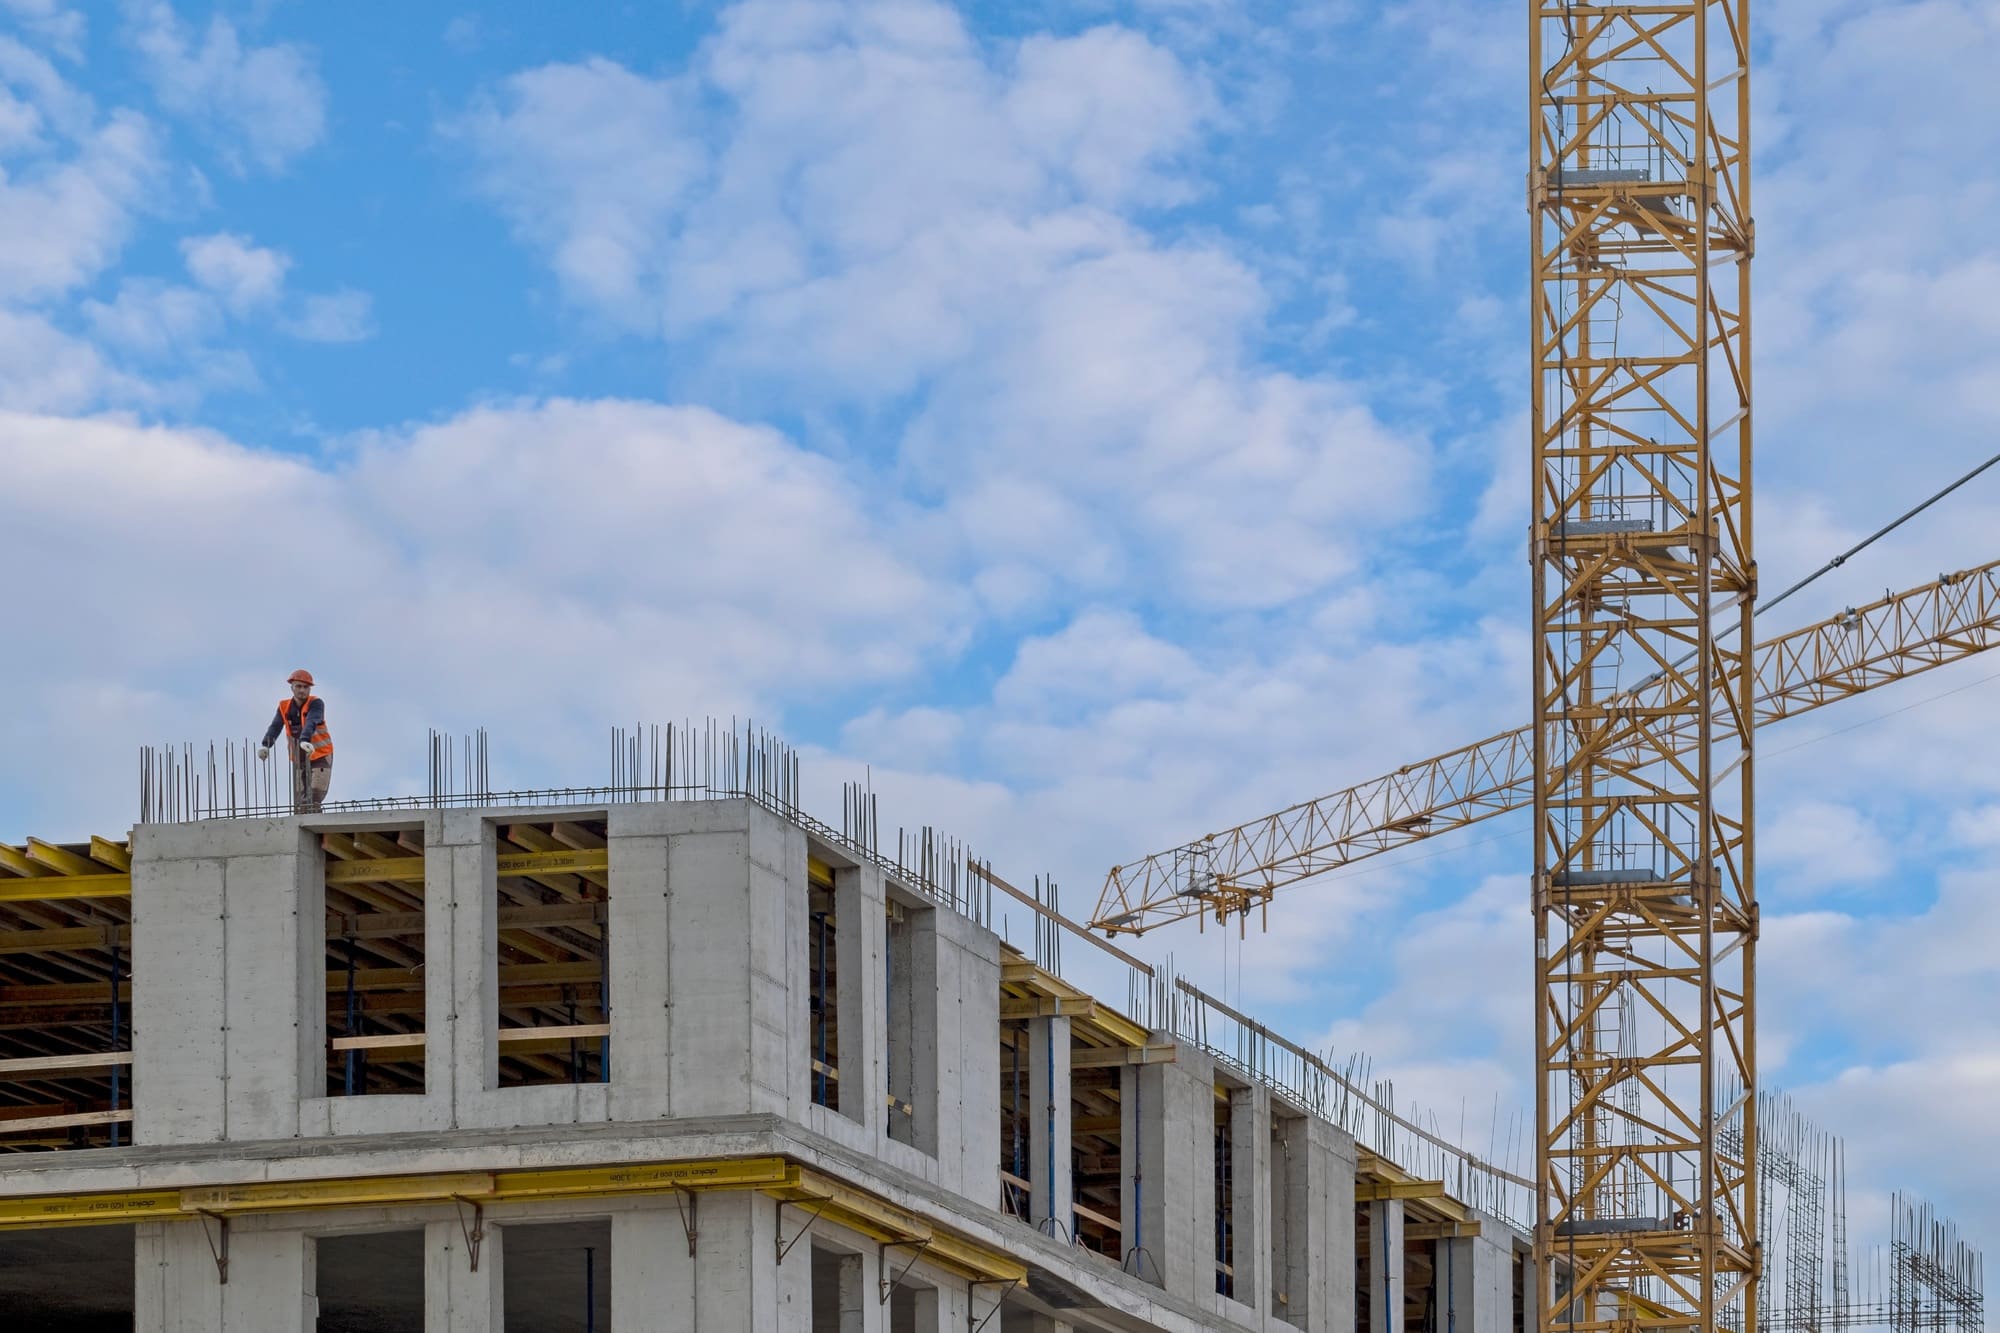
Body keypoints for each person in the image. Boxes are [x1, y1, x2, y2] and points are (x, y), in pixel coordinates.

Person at [260, 669, 334, 813]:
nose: (302, 690)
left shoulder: (316, 703)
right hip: (299, 758)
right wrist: (266, 745)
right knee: (300, 801)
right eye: (298, 686)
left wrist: (305, 739)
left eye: (305, 687)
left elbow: (312, 721)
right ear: (292, 687)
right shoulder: (284, 707)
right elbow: (275, 726)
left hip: (320, 755)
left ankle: (314, 820)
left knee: (314, 796)